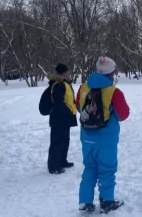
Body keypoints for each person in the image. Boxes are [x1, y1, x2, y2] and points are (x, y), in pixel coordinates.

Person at [77, 56, 130, 214]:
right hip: (107, 139)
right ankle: (106, 202)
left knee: (89, 168)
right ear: (112, 73)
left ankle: (85, 202)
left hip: (87, 137)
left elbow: (79, 108)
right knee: (107, 170)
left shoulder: (83, 88)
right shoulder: (114, 92)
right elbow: (123, 115)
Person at [47, 63, 77, 174]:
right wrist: (66, 112)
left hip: (65, 118)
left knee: (65, 141)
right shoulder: (58, 84)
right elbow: (58, 102)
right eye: (68, 71)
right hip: (59, 119)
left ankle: (62, 161)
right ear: (63, 73)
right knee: (57, 142)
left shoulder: (65, 83)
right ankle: (53, 166)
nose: (70, 73)